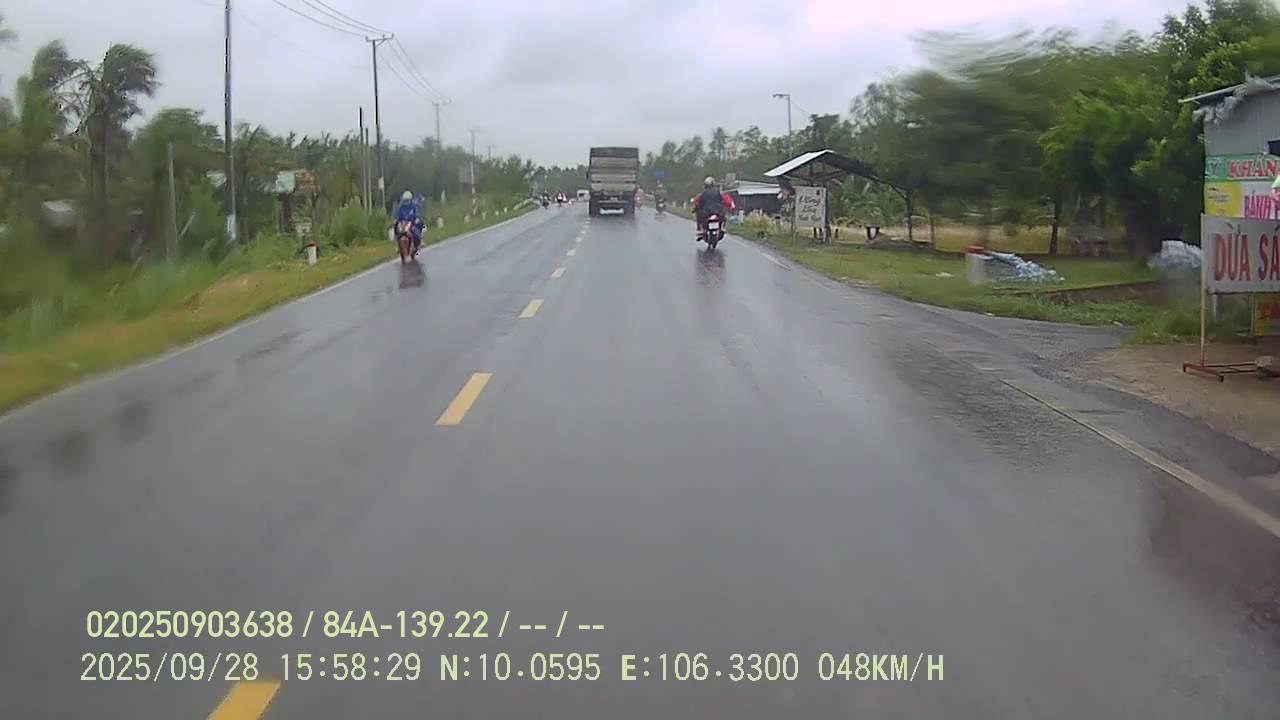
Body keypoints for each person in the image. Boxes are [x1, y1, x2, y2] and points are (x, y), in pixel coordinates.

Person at [392, 190, 424, 255]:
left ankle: (420, 241)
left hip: (412, 222)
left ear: (410, 199)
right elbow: (398, 215)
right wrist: (396, 219)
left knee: (420, 224)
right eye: (405, 200)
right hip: (403, 223)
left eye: (408, 200)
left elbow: (416, 213)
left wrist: (417, 218)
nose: (406, 202)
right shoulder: (401, 207)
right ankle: (397, 245)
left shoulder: (413, 206)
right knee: (395, 226)